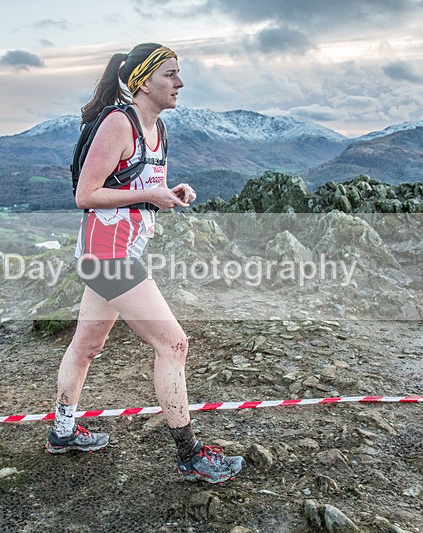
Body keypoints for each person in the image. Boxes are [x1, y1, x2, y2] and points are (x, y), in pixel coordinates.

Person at [45, 43, 245, 484]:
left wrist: (170, 192)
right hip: (107, 257)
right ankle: (190, 455)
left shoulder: (158, 129)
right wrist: (148, 195)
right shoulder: (120, 123)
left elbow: (139, 187)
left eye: (178, 73)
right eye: (170, 74)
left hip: (116, 253)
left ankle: (62, 431)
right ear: (143, 82)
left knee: (87, 346)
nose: (180, 82)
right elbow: (85, 195)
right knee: (173, 344)